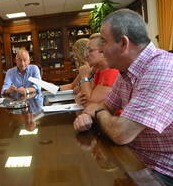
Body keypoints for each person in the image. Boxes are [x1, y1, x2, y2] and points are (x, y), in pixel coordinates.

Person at [73, 9, 173, 185]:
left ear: (124, 44)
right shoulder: (126, 71)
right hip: (136, 160)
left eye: (103, 41)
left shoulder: (160, 69)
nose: (101, 49)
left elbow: (121, 133)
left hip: (163, 172)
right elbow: (106, 104)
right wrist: (94, 111)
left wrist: (96, 111)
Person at [75, 33, 119, 106]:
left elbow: (89, 104)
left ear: (103, 51)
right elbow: (81, 94)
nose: (86, 55)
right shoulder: (99, 71)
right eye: (86, 51)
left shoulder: (112, 72)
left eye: (90, 51)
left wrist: (84, 78)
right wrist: (78, 99)